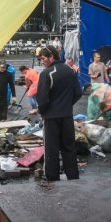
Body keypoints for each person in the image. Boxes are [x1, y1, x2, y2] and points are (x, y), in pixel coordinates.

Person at [36, 46, 82, 181]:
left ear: (51, 57)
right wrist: (67, 105)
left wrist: (43, 111)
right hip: (67, 115)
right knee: (69, 148)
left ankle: (52, 177)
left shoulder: (46, 73)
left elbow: (42, 99)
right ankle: (73, 177)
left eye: (43, 58)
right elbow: (78, 93)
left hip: (51, 118)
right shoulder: (70, 71)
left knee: (51, 148)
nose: (42, 61)